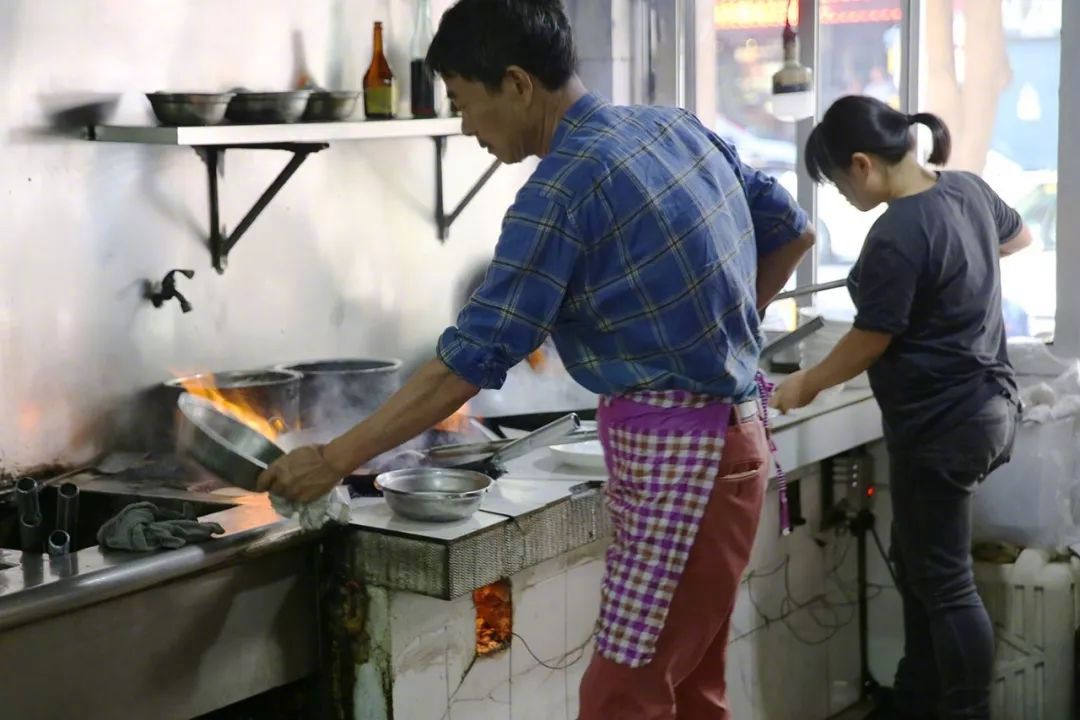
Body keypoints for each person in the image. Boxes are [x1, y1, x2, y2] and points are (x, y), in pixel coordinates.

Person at [259, 1, 814, 717]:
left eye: (464, 103)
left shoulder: (561, 188)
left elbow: (466, 363)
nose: (464, 127)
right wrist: (722, 331)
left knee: (624, 694)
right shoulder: (670, 126)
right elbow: (791, 231)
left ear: (518, 84)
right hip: (733, 443)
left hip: (686, 457)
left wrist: (334, 459)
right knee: (691, 685)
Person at [770, 95, 1031, 720]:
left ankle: (964, 711)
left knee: (943, 581)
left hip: (942, 426)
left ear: (861, 165)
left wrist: (806, 384)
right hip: (993, 410)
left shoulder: (896, 231)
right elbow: (1018, 238)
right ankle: (918, 698)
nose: (839, 195)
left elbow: (870, 339)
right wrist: (954, 276)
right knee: (917, 560)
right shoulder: (967, 190)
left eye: (835, 183)